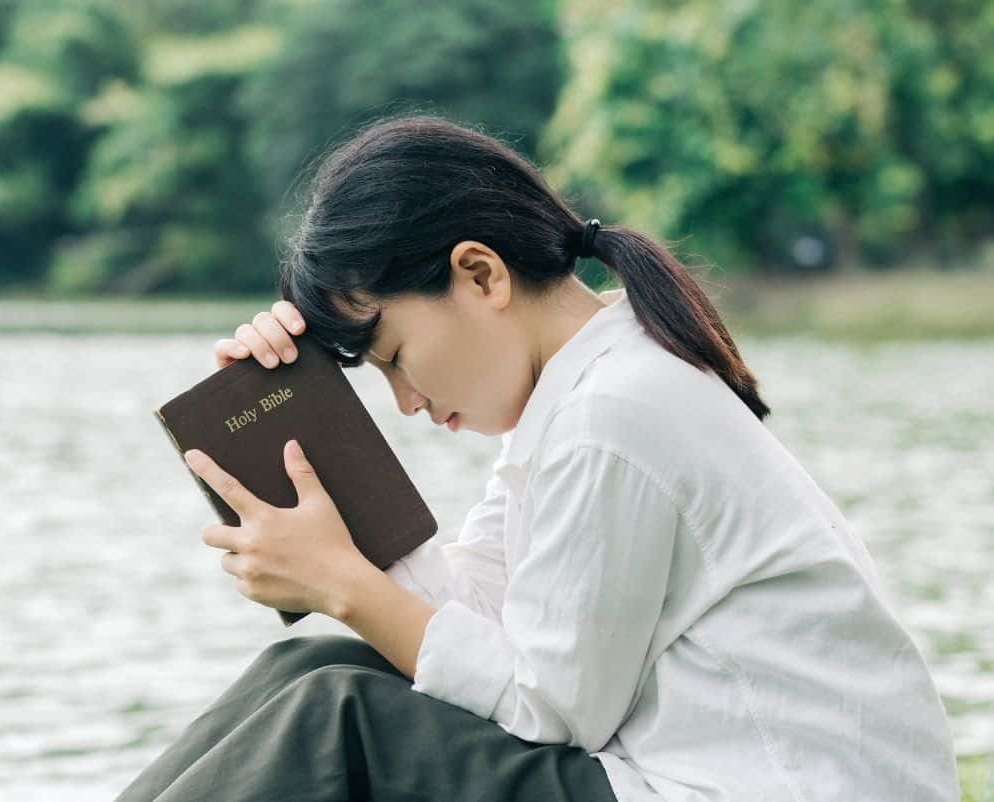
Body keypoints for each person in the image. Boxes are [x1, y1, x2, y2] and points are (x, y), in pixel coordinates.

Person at [115, 113, 959, 802]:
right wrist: (288, 413)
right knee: (317, 660)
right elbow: (471, 626)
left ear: (480, 275)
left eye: (396, 358)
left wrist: (342, 583)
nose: (406, 403)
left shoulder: (615, 415)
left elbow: (545, 706)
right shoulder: (586, 392)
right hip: (681, 776)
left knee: (339, 716)